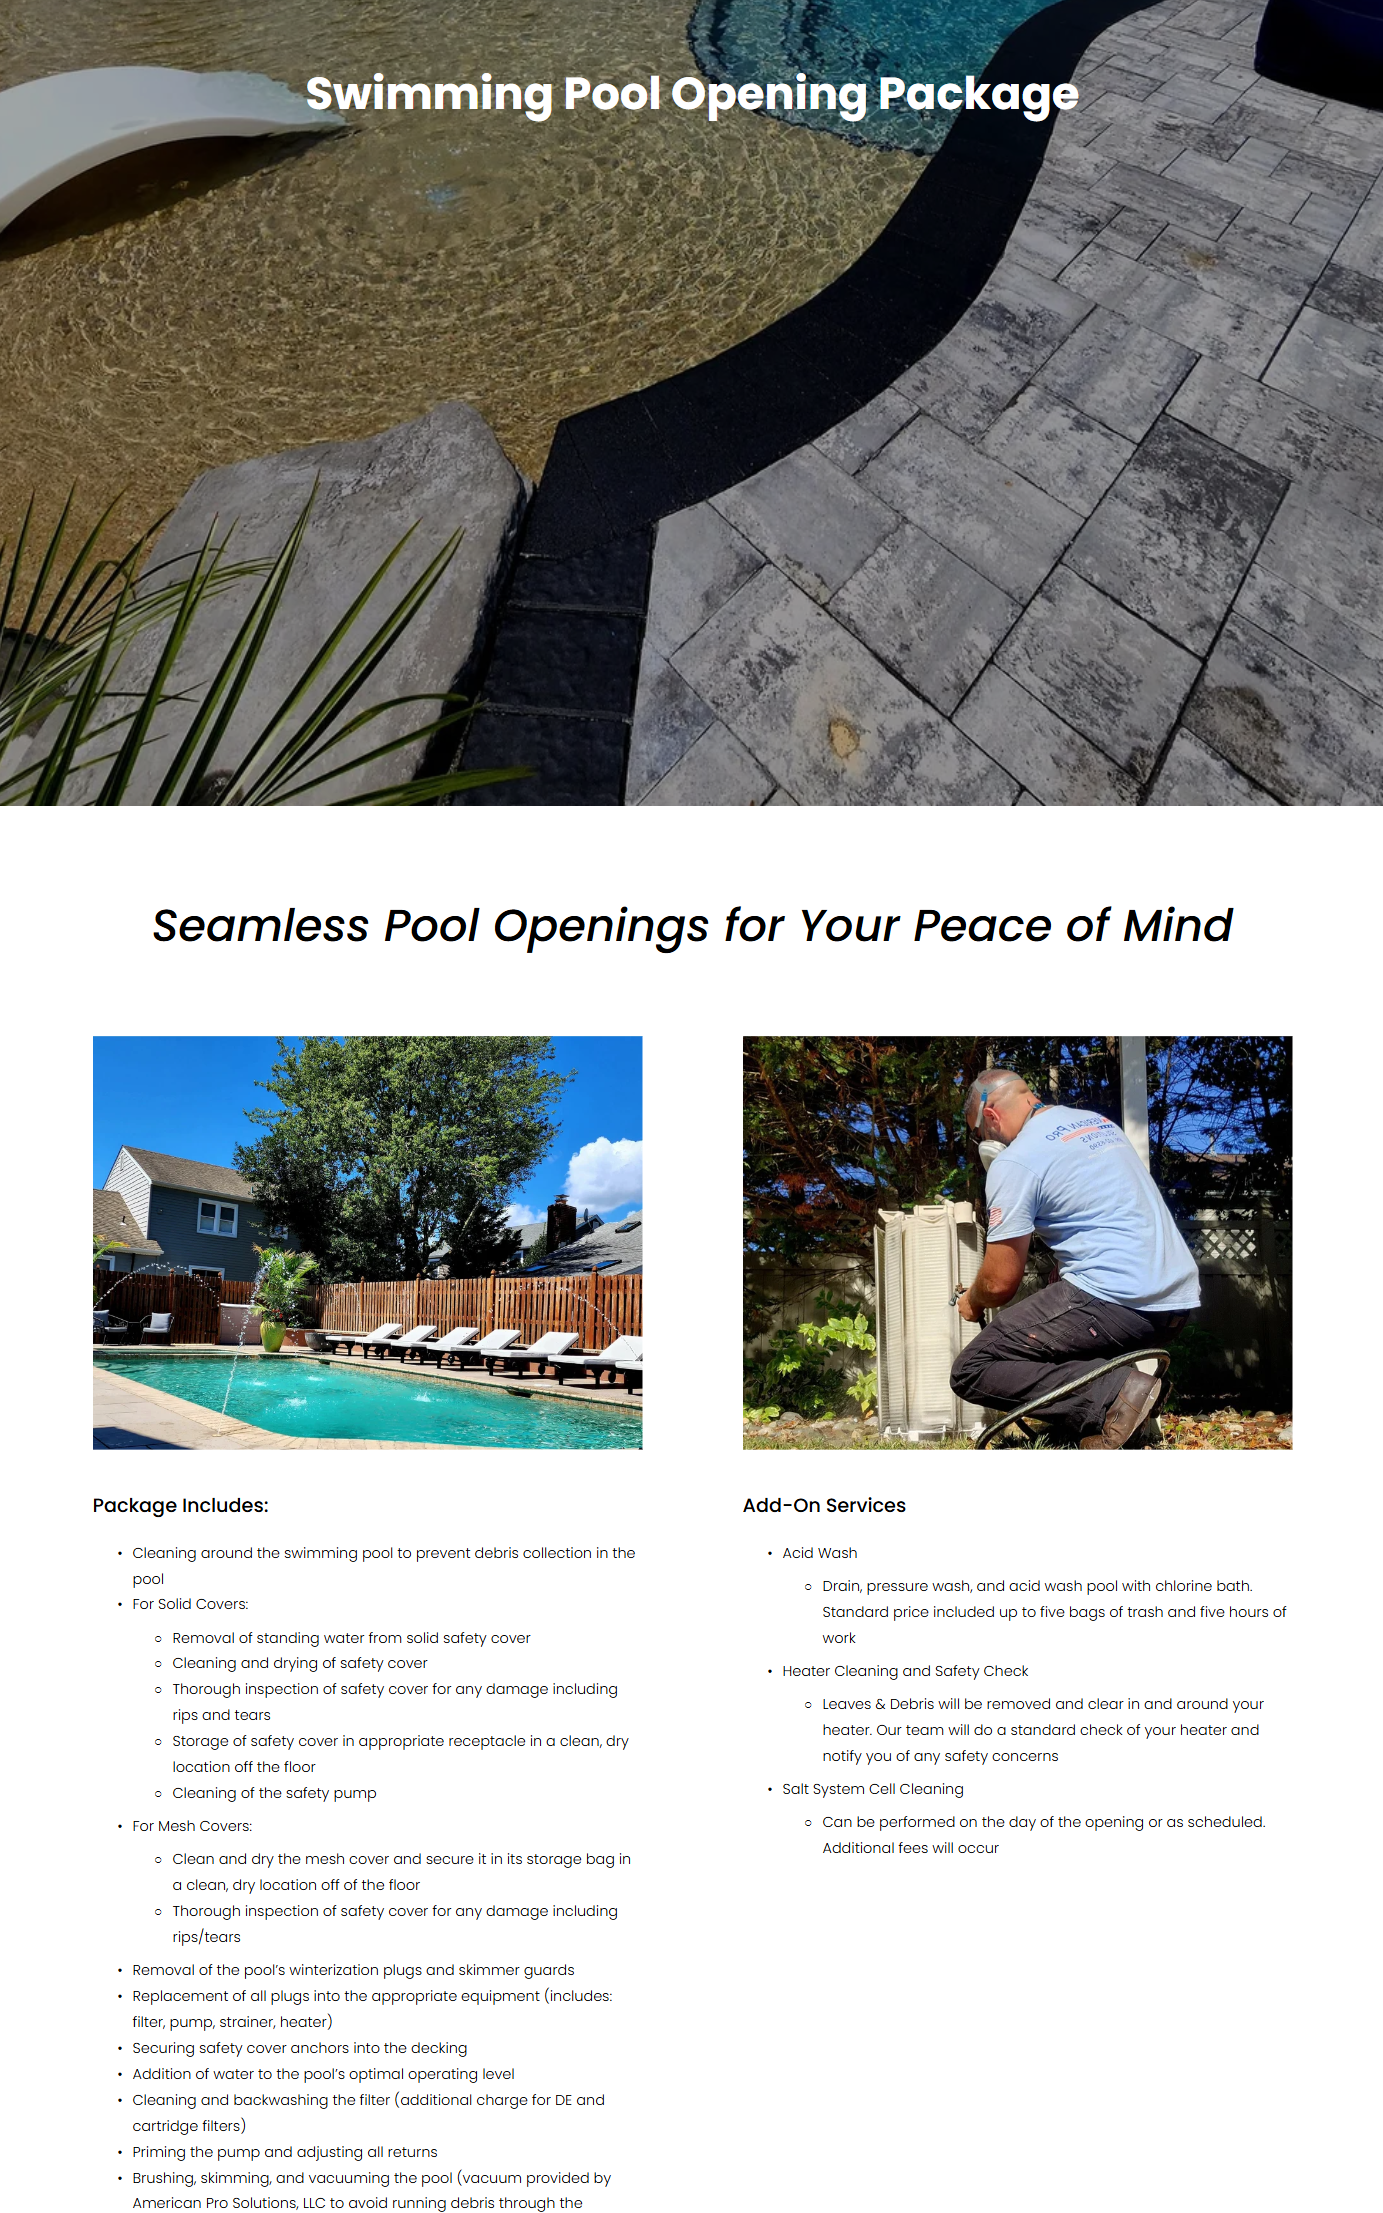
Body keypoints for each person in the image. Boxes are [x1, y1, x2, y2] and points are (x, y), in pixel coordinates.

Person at [950, 1069, 1199, 1448]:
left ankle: (1116, 1394)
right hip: (1176, 1301)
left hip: (1119, 1300)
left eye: (977, 1134)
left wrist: (973, 1299)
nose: (983, 1142)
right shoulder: (1097, 1125)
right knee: (1051, 1304)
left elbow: (999, 1283)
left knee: (972, 1369)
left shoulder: (1015, 1161)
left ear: (991, 1116)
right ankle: (1115, 1405)